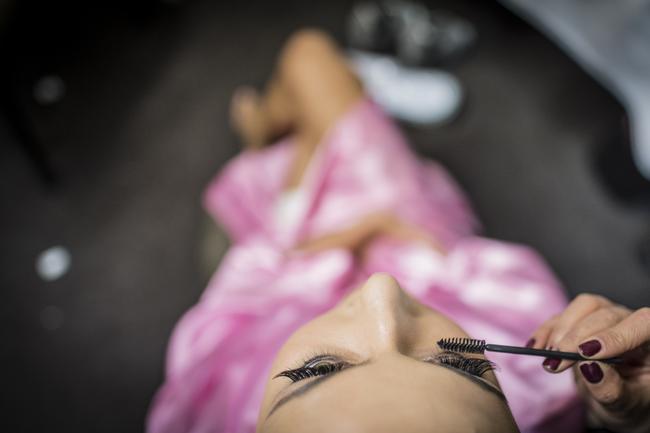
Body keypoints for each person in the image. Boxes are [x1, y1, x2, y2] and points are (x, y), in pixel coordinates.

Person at [146, 29, 650, 433]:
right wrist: (627, 419)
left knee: (309, 58)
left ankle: (265, 137)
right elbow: (483, 271)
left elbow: (254, 272)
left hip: (314, 251)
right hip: (421, 247)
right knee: (316, 71)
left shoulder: (219, 400)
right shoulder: (545, 395)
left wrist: (349, 238)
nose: (382, 293)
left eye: (318, 369)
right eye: (459, 366)